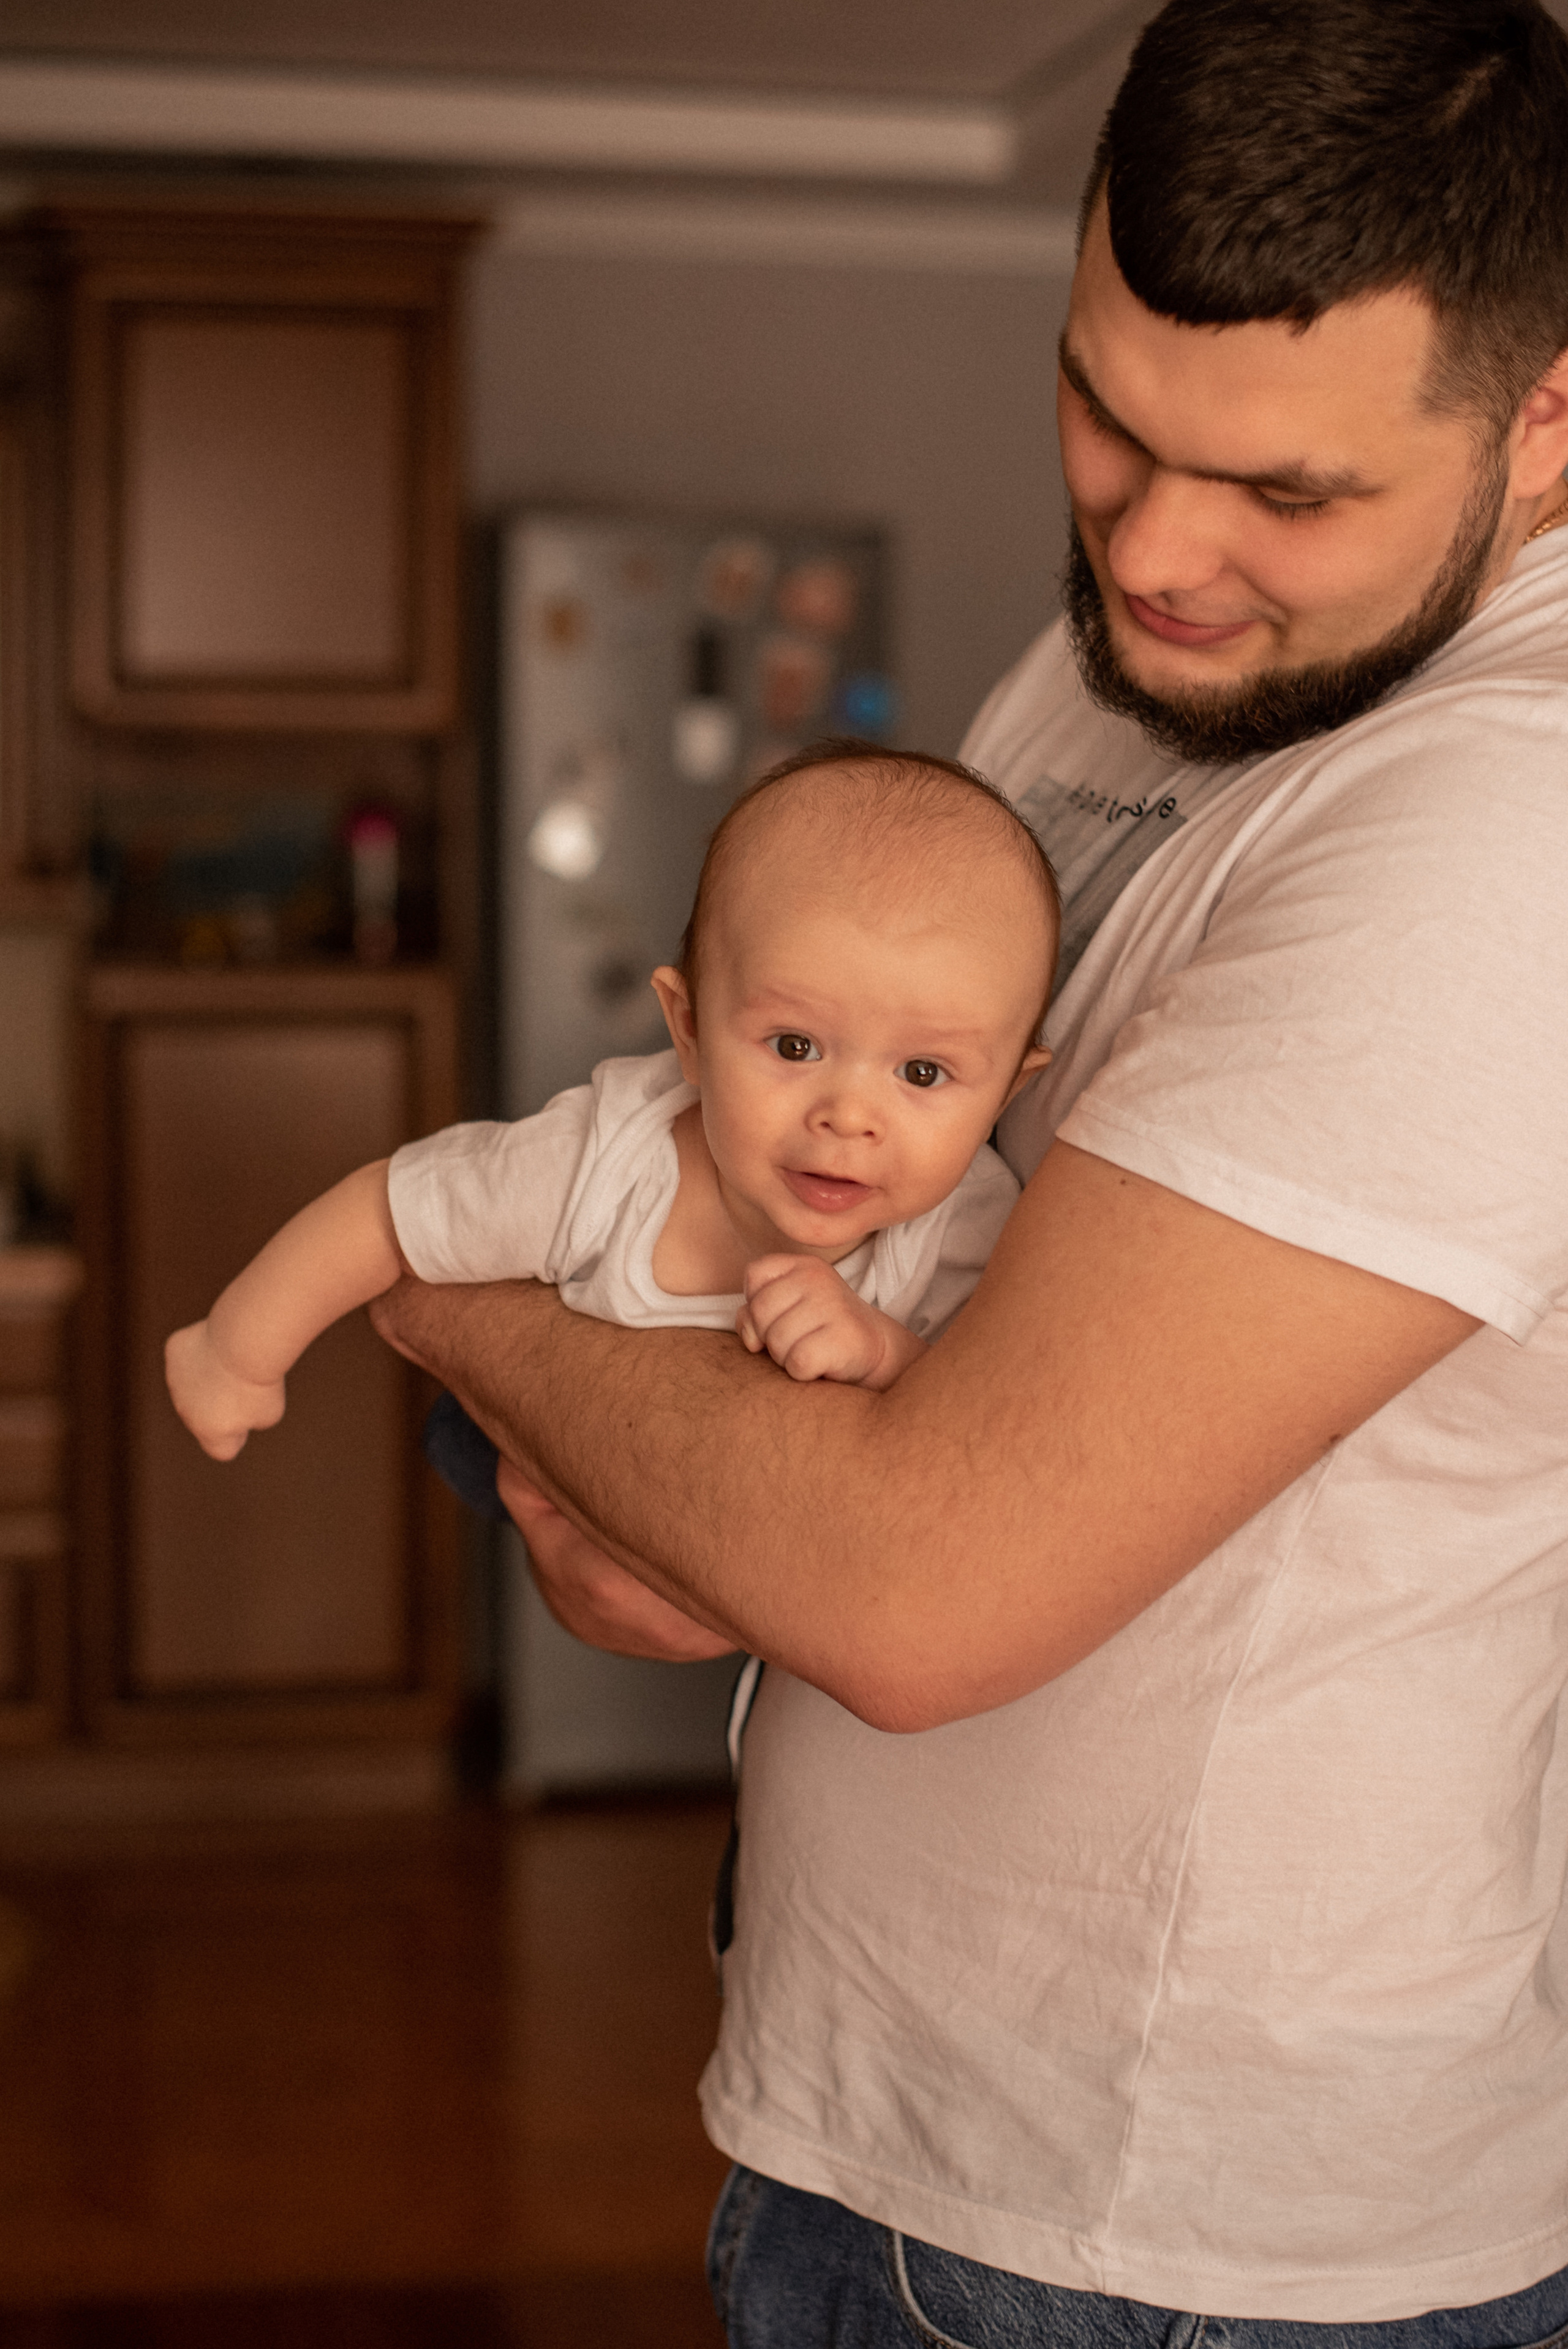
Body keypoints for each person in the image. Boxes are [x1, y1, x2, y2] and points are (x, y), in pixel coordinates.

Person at [370, 0, 1568, 2340]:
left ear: (1546, 417)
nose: (1161, 549)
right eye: (1106, 416)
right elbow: (841, 1253)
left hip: (1177, 2254)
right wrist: (664, 1486)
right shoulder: (1139, 664)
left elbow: (915, 1589)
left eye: (1286, 492)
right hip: (892, 2136)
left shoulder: (1506, 819)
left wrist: (431, 1273)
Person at [163, 746, 1057, 1464]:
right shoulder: (599, 1163)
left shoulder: (971, 1229)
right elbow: (389, 1211)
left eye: (924, 1073)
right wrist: (237, 1351)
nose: (849, 1117)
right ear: (689, 1030)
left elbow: (977, 1435)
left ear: (1008, 1091)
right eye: (795, 1047)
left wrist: (885, 1353)